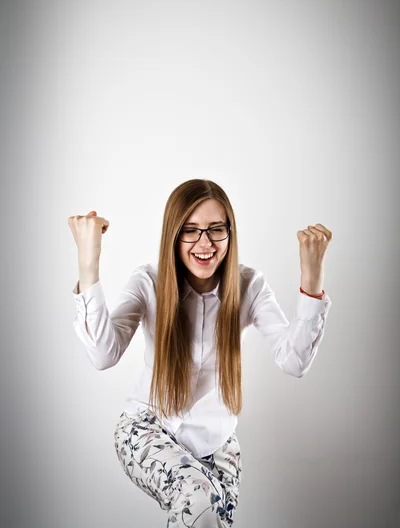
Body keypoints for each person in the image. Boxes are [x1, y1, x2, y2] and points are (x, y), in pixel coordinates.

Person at [68, 178, 333, 527]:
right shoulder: (149, 282)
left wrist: (311, 279)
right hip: (147, 428)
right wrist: (89, 263)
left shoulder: (249, 285)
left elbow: (294, 360)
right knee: (199, 501)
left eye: (215, 229)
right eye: (190, 230)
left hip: (219, 441)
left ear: (229, 233)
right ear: (173, 236)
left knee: (212, 521)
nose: (204, 243)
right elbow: (103, 354)